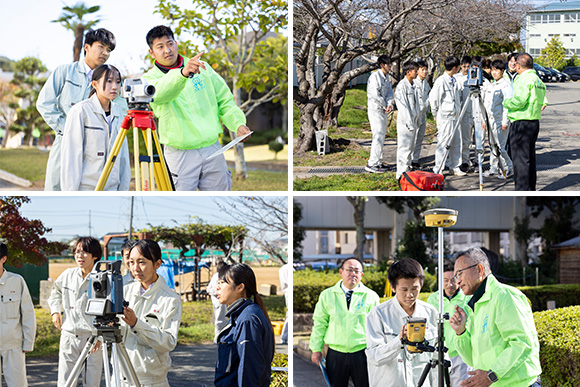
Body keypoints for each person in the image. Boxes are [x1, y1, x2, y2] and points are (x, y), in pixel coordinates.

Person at [142, 25, 251, 191]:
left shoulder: (202, 67)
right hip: (180, 154)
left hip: (212, 148)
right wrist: (182, 74)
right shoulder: (149, 79)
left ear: (176, 43)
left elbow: (224, 99)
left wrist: (238, 124)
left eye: (170, 43)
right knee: (180, 204)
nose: (167, 50)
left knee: (219, 202)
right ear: (152, 53)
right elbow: (162, 93)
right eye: (160, 47)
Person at [37, 28, 117, 191]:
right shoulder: (64, 72)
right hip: (65, 142)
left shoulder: (110, 80)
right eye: (101, 47)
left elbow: (119, 109)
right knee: (56, 188)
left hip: (96, 147)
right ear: (86, 47)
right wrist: (67, 129)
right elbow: (44, 103)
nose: (105, 53)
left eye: (108, 50)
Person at [449, 247, 542, 387]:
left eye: (460, 274)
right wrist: (461, 332)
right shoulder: (477, 305)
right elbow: (473, 360)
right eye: (456, 276)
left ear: (479, 269)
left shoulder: (505, 296)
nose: (457, 282)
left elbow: (522, 343)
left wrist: (491, 375)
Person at [365, 258, 437, 387]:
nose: (410, 295)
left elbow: (439, 357)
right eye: (404, 289)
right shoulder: (378, 314)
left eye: (415, 289)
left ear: (421, 285)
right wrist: (399, 341)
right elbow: (375, 357)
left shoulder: (430, 313)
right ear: (393, 287)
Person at [121, 239, 183, 386]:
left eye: (141, 262)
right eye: (131, 262)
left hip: (150, 380)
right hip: (120, 375)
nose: (135, 268)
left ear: (157, 264)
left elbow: (168, 342)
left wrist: (136, 324)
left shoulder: (170, 299)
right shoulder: (124, 292)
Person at [309, 257, 380, 387]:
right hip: (336, 354)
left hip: (362, 352)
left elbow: (377, 327)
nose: (353, 274)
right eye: (349, 270)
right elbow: (320, 323)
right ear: (341, 272)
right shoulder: (327, 295)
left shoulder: (371, 296)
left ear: (361, 275)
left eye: (357, 271)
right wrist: (316, 349)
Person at [60, 64, 130, 191]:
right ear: (94, 84)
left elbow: (123, 156)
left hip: (112, 190)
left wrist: (123, 191)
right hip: (86, 189)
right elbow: (72, 155)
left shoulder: (119, 112)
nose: (114, 87)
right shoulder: (80, 111)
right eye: (109, 81)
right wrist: (70, 193)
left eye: (118, 82)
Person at [48, 237, 103, 386]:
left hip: (93, 339)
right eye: (77, 252)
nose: (80, 256)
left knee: (91, 382)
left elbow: (109, 309)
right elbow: (56, 292)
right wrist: (55, 311)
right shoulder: (68, 275)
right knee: (66, 382)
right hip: (69, 335)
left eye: (85, 252)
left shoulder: (103, 279)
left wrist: (101, 336)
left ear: (95, 255)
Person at [214, 263, 275, 386]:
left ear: (240, 287)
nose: (217, 287)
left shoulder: (248, 319)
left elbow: (249, 369)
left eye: (222, 282)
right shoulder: (241, 315)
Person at [502, 53, 547, 191]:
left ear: (519, 66)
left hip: (521, 122)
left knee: (520, 160)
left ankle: (521, 191)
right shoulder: (537, 79)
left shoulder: (523, 79)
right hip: (533, 121)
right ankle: (530, 189)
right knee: (529, 158)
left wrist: (506, 102)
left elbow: (519, 101)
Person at [426, 262, 470, 387]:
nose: (449, 284)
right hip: (440, 353)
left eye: (453, 280)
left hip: (461, 354)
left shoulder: (467, 298)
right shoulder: (433, 299)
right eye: (445, 280)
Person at [0, 242, 36, 387]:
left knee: (18, 384)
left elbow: (28, 313)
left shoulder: (16, 281)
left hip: (13, 344)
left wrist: (28, 342)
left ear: (3, 259)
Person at [429, 56, 464, 175]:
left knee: (456, 142)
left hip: (455, 115)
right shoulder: (441, 81)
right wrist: (435, 114)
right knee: (443, 143)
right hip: (445, 116)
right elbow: (434, 99)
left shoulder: (454, 80)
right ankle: (438, 168)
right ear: (454, 67)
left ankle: (455, 166)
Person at [482, 59, 514, 179]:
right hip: (490, 120)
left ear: (502, 71)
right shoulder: (491, 84)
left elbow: (508, 105)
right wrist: (484, 120)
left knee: (500, 146)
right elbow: (486, 103)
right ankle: (493, 168)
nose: (494, 73)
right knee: (492, 145)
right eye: (493, 70)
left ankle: (509, 168)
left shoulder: (506, 85)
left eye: (497, 70)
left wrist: (505, 121)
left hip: (500, 120)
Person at [366, 55, 394, 173]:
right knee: (377, 136)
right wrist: (384, 105)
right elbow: (374, 94)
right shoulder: (374, 77)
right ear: (382, 65)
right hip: (375, 110)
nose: (390, 67)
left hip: (383, 110)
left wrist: (389, 104)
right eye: (388, 65)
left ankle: (378, 162)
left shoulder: (386, 77)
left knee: (381, 136)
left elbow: (389, 92)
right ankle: (371, 164)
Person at [394, 61, 420, 178]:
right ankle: (401, 173)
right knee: (404, 148)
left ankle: (408, 169)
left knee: (410, 148)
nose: (417, 73)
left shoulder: (414, 85)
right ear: (408, 72)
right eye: (415, 71)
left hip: (413, 121)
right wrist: (409, 123)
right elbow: (402, 106)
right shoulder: (401, 86)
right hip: (405, 123)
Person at [454, 55, 474, 172]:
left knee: (466, 139)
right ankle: (455, 160)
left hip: (470, 112)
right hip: (458, 111)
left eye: (468, 66)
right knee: (456, 139)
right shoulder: (456, 78)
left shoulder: (473, 77)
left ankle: (465, 160)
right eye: (464, 66)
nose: (466, 68)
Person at [412, 60, 431, 169]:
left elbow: (428, 96)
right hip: (415, 114)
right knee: (413, 138)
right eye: (422, 70)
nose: (424, 72)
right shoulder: (414, 82)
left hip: (423, 114)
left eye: (425, 70)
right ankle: (409, 160)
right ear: (417, 70)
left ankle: (415, 159)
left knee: (420, 138)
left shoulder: (425, 83)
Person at [207, 260, 228, 343]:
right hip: (218, 300)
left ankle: (220, 336)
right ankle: (218, 338)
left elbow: (209, 288)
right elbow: (213, 289)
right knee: (220, 319)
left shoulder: (216, 276)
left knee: (220, 318)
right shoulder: (218, 277)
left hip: (217, 300)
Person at [278, 262, 290, 345]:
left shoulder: (283, 268)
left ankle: (284, 338)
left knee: (289, 315)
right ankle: (285, 338)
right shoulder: (288, 268)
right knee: (289, 316)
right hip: (289, 292)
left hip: (287, 292)